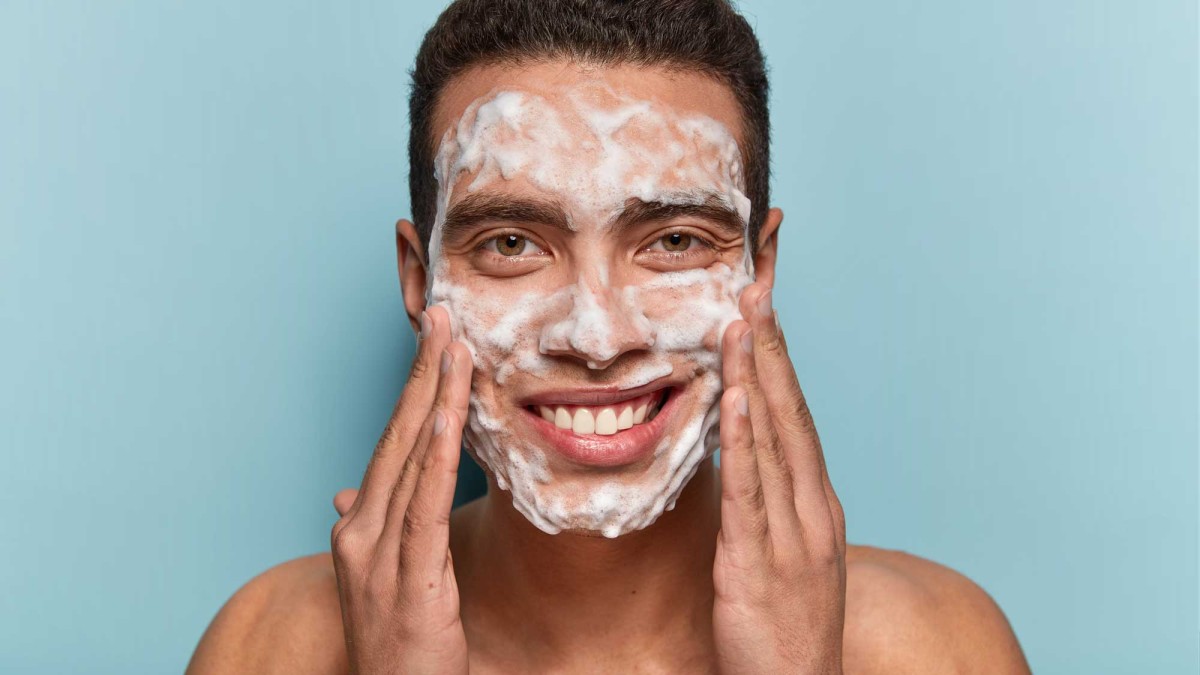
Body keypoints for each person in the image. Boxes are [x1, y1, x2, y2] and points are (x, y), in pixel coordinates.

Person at [187, 1, 1030, 672]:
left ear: (759, 271)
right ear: (420, 278)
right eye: (512, 243)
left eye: (672, 242)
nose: (595, 337)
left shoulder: (935, 650)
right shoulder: (270, 649)